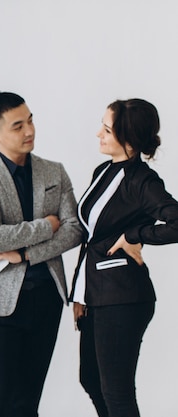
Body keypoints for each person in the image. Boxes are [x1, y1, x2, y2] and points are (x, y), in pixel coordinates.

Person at [0, 91, 82, 417]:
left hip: (46, 298)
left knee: (28, 404)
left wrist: (26, 254)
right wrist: (46, 225)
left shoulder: (54, 172)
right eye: (18, 126)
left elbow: (73, 230)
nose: (29, 131)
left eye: (30, 120)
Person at [71, 99, 178, 417]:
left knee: (116, 392)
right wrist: (80, 294)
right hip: (97, 295)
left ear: (129, 139)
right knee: (90, 379)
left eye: (106, 129)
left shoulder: (141, 181)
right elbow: (91, 237)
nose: (98, 134)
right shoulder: (103, 170)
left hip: (123, 298)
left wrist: (136, 235)